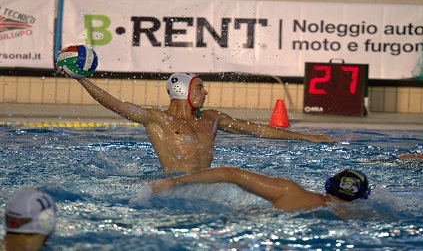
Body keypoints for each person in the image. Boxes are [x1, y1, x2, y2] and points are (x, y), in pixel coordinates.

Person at [61, 72, 338, 173]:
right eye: (200, 88)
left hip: (204, 184)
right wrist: (82, 79)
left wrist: (307, 138)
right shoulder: (157, 119)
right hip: (174, 184)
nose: (206, 93)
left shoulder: (212, 118)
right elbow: (114, 104)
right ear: (183, 91)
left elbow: (257, 130)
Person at [150, 167, 370, 212]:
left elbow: (230, 174)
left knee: (246, 213)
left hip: (263, 230)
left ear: (329, 185)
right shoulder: (363, 217)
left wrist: (173, 181)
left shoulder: (289, 191)